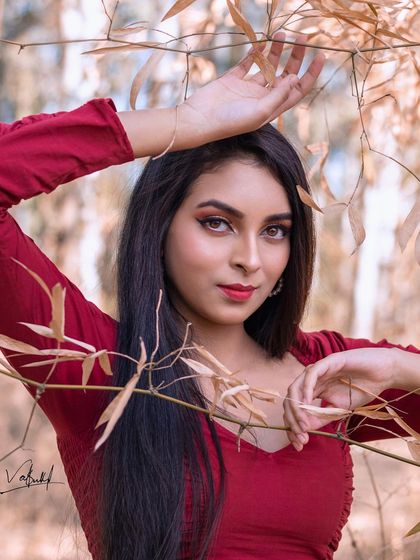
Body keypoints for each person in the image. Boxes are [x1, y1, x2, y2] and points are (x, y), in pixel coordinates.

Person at [0, 32, 419, 560]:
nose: (251, 258)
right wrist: (181, 125)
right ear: (160, 224)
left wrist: (402, 370)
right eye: (217, 223)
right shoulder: (93, 364)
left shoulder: (328, 377)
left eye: (275, 230)